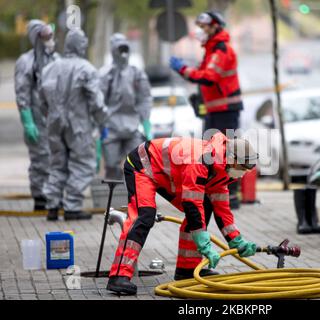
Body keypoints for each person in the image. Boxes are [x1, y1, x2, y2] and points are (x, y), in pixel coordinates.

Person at [106, 132, 258, 295]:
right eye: (242, 168)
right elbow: (191, 202)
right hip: (143, 165)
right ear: (232, 159)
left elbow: (222, 209)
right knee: (144, 215)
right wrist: (203, 242)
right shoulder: (201, 159)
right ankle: (119, 275)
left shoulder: (223, 172)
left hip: (167, 174)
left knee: (205, 208)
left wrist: (236, 240)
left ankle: (187, 270)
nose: (242, 174)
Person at [169, 11, 243, 209]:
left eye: (204, 27)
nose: (200, 31)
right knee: (211, 153)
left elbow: (209, 77)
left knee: (228, 152)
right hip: (215, 110)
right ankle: (215, 192)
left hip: (226, 110)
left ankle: (231, 196)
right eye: (199, 27)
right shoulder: (211, 50)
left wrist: (183, 69)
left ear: (215, 27)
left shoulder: (221, 50)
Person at [40, 29, 109, 221]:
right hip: (78, 125)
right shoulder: (86, 69)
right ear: (81, 45)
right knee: (82, 164)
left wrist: (50, 115)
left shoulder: (50, 68)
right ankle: (72, 206)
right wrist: (103, 121)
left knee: (57, 163)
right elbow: (96, 101)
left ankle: (52, 206)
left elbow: (41, 99)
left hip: (54, 123)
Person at [14, 20, 59, 211]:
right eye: (45, 36)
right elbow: (22, 92)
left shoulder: (55, 59)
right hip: (36, 120)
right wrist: (27, 120)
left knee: (55, 159)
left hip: (54, 119)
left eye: (51, 35)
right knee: (40, 159)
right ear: (35, 37)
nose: (49, 39)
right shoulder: (26, 62)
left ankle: (53, 195)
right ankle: (40, 197)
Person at [99, 33, 152, 180]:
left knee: (136, 164)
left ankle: (135, 197)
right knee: (111, 166)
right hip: (111, 128)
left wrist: (146, 123)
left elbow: (145, 98)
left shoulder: (136, 74)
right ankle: (113, 197)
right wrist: (99, 125)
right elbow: (97, 101)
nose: (122, 52)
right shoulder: (105, 75)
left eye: (124, 48)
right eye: (119, 48)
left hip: (132, 127)